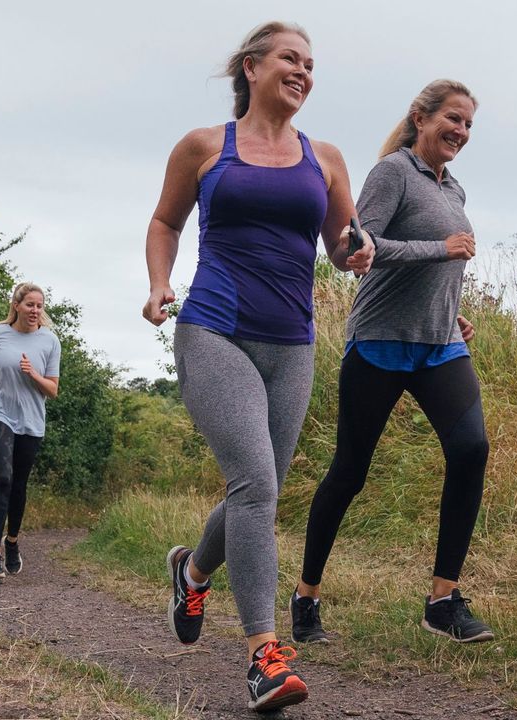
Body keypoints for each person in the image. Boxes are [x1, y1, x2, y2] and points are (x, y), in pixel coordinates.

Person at [141, 21, 374, 713]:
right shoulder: (205, 146)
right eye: (289, 59)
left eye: (310, 64)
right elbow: (165, 223)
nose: (303, 71)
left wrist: (354, 252)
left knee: (259, 489)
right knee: (254, 483)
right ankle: (263, 655)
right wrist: (159, 283)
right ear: (251, 66)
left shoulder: (325, 157)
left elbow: (342, 243)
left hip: (292, 343)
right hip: (214, 328)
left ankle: (192, 569)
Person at [291, 79, 495, 645]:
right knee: (350, 472)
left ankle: (442, 600)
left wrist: (452, 312)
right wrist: (442, 248)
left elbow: (439, 270)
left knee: (471, 449)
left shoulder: (455, 190)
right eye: (453, 119)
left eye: (469, 125)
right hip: (379, 342)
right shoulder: (393, 173)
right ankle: (306, 596)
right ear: (422, 117)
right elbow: (361, 252)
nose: (461, 132)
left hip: (439, 346)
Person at [0, 282, 61, 583]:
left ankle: (12, 542)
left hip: (31, 420)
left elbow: (53, 390)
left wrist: (33, 373)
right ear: (17, 306)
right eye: (30, 305)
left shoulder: (49, 341)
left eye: (39, 306)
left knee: (18, 485)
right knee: (4, 477)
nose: (35, 311)